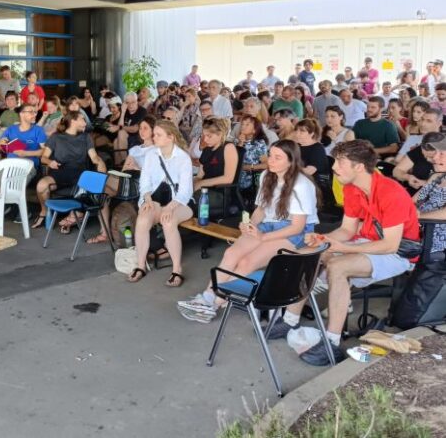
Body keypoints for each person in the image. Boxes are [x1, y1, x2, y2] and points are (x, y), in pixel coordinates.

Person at [266, 140, 420, 366]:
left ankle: (332, 342)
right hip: (368, 241)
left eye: (340, 162)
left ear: (359, 167)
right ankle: (290, 319)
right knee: (309, 253)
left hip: (400, 253)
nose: (334, 167)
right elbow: (347, 230)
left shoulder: (391, 192)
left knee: (338, 266)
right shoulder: (351, 188)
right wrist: (324, 240)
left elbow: (390, 245)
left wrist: (343, 248)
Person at [178, 140, 319, 323]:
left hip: (294, 232)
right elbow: (261, 209)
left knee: (247, 262)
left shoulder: (301, 184)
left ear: (291, 161)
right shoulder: (267, 175)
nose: (271, 160)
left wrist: (263, 236)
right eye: (270, 155)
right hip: (268, 225)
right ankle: (207, 297)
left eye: (278, 158)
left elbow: (297, 227)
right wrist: (249, 225)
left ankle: (214, 304)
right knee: (231, 253)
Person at [127, 120, 193, 285]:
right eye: (154, 134)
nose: (154, 137)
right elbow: (144, 182)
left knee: (168, 221)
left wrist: (169, 208)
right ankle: (141, 265)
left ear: (170, 137)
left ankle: (177, 269)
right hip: (156, 198)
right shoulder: (152, 155)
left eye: (158, 135)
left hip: (180, 202)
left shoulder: (183, 158)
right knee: (142, 219)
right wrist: (147, 199)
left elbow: (185, 192)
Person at [34, 111, 107, 232]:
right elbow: (43, 158)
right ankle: (45, 211)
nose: (85, 123)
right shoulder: (56, 137)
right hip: (59, 172)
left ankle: (74, 216)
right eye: (83, 119)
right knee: (41, 186)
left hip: (79, 173)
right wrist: (50, 162)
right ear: (73, 121)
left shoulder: (86, 137)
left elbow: (94, 157)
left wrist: (99, 162)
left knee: (87, 184)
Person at [0, 103, 45, 195]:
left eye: (35, 112)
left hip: (27, 166)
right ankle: (2, 202)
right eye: (31, 112)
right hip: (9, 165)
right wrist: (0, 144)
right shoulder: (11, 129)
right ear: (21, 114)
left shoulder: (38, 130)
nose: (34, 114)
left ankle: (8, 201)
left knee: (11, 188)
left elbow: (44, 151)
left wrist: (25, 153)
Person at [412, 135, 446, 255]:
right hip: (417, 230)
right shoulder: (437, 177)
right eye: (436, 153)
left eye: (441, 154)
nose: (434, 158)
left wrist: (416, 216)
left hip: (434, 238)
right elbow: (412, 201)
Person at [194, 117, 239, 196]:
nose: (205, 140)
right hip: (204, 189)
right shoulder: (207, 149)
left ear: (220, 134)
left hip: (219, 192)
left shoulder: (228, 148)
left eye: (209, 136)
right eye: (204, 136)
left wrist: (201, 183)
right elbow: (199, 176)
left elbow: (228, 178)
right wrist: (192, 184)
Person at [234, 114, 269, 207]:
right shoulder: (236, 142)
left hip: (249, 178)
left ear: (254, 130)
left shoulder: (258, 144)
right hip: (234, 175)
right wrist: (240, 143)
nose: (243, 126)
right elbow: (235, 159)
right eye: (242, 124)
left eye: (247, 124)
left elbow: (266, 164)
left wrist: (249, 167)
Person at [294, 119, 331, 197]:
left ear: (311, 133)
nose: (297, 134)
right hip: (301, 181)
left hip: (316, 186)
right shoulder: (296, 146)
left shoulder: (317, 148)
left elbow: (309, 171)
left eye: (302, 131)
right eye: (296, 131)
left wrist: (290, 170)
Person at [112, 92, 147, 165]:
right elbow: (120, 126)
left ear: (137, 101)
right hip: (127, 136)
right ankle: (118, 165)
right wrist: (123, 112)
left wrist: (120, 127)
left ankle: (126, 164)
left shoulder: (142, 111)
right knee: (115, 141)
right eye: (127, 103)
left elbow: (135, 129)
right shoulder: (125, 111)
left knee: (121, 133)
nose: (130, 105)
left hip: (138, 137)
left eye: (133, 102)